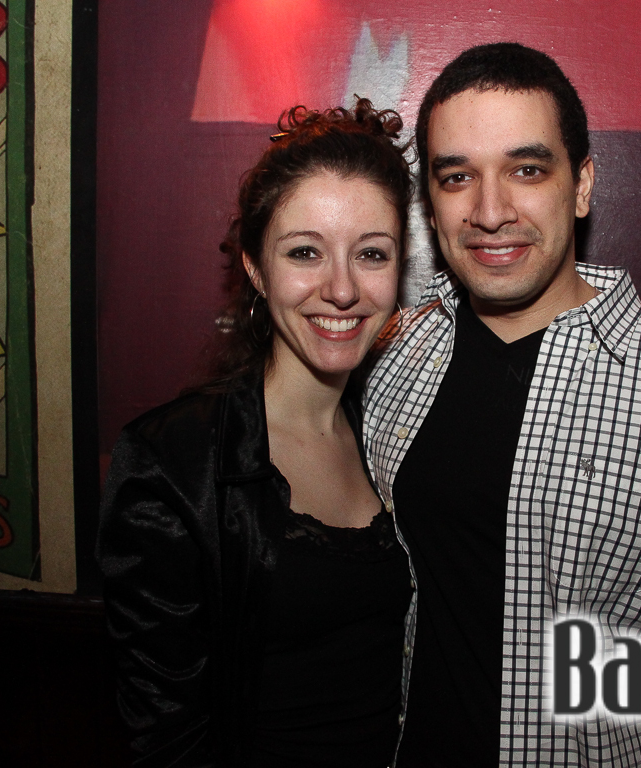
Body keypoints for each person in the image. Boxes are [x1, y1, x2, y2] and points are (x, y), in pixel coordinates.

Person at [364, 43, 641, 767]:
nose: (490, 212)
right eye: (457, 176)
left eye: (527, 170)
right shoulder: (395, 356)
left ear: (582, 185)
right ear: (429, 203)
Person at [97, 99, 414, 767]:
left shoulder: (400, 427)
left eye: (371, 254)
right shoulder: (175, 464)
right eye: (305, 252)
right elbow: (167, 739)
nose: (342, 289)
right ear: (255, 268)